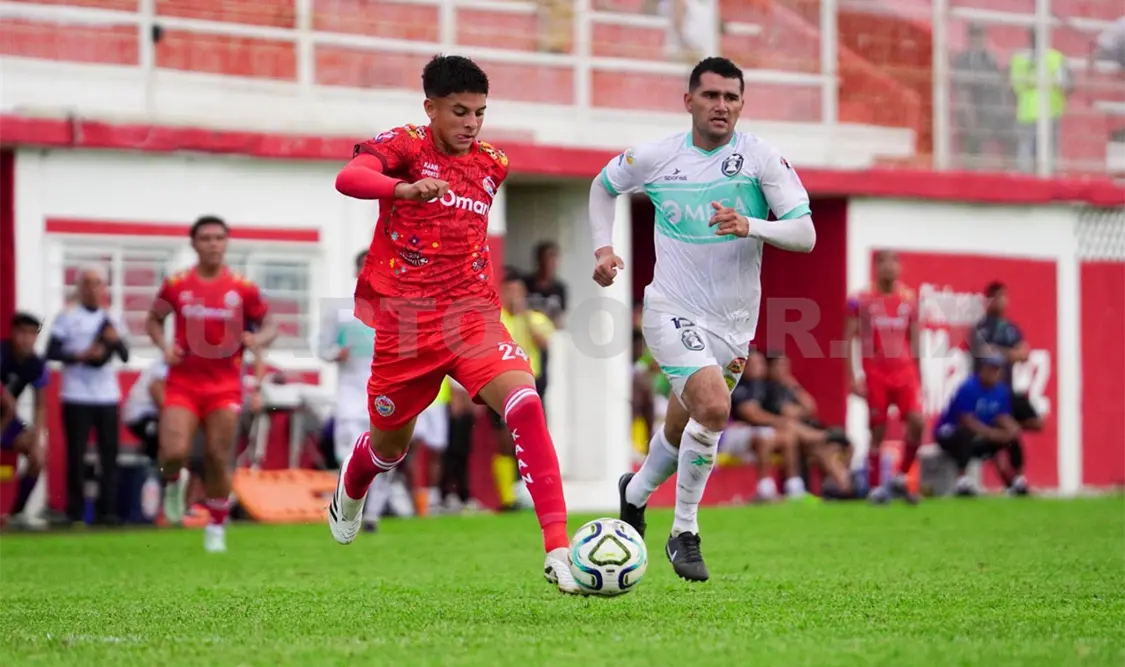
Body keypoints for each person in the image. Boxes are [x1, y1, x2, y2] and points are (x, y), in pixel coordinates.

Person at [330, 54, 578, 593]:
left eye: (480, 113)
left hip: (472, 316)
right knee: (389, 448)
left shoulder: (493, 163)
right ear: (431, 108)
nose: (470, 123)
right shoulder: (405, 145)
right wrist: (401, 189)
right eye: (460, 111)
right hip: (406, 325)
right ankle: (354, 483)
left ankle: (558, 550)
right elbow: (349, 178)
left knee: (526, 404)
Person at [590, 57, 816, 582]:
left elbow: (805, 234)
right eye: (711, 96)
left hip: (733, 325)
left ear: (741, 104)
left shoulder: (761, 159)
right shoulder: (656, 157)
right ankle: (684, 532)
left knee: (681, 427)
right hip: (671, 310)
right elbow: (603, 186)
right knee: (714, 408)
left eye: (731, 98)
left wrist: (752, 225)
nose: (721, 106)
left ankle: (636, 492)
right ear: (688, 100)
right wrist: (603, 249)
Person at [146, 215, 277, 553]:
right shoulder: (176, 284)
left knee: (219, 457)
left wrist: (256, 339)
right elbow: (153, 320)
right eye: (205, 238)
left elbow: (270, 325)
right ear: (194, 244)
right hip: (183, 383)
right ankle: (174, 483)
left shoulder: (242, 287)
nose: (213, 244)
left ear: (227, 242)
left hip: (224, 386)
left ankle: (216, 526)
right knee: (173, 452)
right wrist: (164, 347)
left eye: (219, 238)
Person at [47, 264, 130, 526]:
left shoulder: (113, 317)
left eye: (98, 283)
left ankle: (107, 512)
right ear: (80, 288)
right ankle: (75, 512)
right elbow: (51, 352)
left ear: (104, 288)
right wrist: (79, 355)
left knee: (109, 454)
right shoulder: (67, 316)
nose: (93, 289)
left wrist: (115, 341)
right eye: (87, 283)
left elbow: (125, 356)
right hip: (76, 395)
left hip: (107, 396)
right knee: (76, 453)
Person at [845, 250, 923, 505]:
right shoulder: (861, 300)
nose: (889, 267)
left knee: (917, 423)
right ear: (876, 266)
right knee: (878, 430)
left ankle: (901, 477)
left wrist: (919, 376)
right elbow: (848, 339)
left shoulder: (909, 298)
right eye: (884, 262)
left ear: (899, 267)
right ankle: (877, 487)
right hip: (876, 374)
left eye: (894, 262)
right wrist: (852, 377)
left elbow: (915, 340)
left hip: (905, 373)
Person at [317, 250, 385, 531]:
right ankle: (347, 509)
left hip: (384, 389)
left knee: (384, 451)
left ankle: (373, 515)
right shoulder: (341, 309)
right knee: (348, 450)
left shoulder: (398, 306)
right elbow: (322, 346)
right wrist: (335, 352)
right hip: (350, 390)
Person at [490, 267, 554, 511]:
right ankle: (507, 498)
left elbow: (544, 342)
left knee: (534, 440)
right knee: (505, 441)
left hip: (532, 384)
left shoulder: (535, 318)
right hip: (501, 384)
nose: (514, 296)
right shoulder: (496, 318)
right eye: (510, 291)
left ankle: (532, 493)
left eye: (518, 291)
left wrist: (524, 314)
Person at [765, 352, 854, 499]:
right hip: (790, 433)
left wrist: (794, 385)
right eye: (780, 366)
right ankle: (824, 437)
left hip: (806, 434)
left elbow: (810, 407)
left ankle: (845, 489)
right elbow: (788, 413)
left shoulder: (789, 387)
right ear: (771, 368)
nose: (784, 369)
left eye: (786, 366)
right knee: (792, 426)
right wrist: (800, 411)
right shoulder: (769, 389)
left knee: (826, 452)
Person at [934, 353, 1025, 496]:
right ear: (982, 370)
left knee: (1013, 438)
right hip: (950, 433)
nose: (993, 374)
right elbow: (966, 420)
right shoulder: (968, 388)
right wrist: (993, 434)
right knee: (965, 433)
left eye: (996, 370)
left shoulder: (1001, 391)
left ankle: (1018, 480)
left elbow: (1002, 416)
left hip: (981, 434)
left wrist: (1012, 430)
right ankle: (962, 481)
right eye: (990, 369)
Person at [723, 351, 801, 502]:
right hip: (727, 433)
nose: (761, 366)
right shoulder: (739, 385)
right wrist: (780, 422)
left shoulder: (764, 386)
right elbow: (752, 414)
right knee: (764, 437)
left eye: (761, 363)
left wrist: (793, 386)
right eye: (756, 363)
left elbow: (803, 409)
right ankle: (765, 489)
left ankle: (794, 487)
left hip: (751, 432)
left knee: (788, 438)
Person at [970, 281, 1041, 432]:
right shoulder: (980, 327)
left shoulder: (1010, 328)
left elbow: (1023, 353)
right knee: (1003, 433)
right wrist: (1009, 354)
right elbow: (983, 351)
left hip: (1006, 390)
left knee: (1036, 423)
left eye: (1004, 296)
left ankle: (1009, 431)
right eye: (997, 297)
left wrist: (1001, 352)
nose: (1002, 301)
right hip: (985, 393)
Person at [0, 313, 50, 527]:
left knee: (37, 455)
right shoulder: (2, 352)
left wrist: (38, 440)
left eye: (32, 334)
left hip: (6, 421)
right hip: (5, 415)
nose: (27, 339)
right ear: (13, 333)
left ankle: (17, 514)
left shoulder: (36, 364)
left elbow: (41, 406)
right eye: (22, 332)